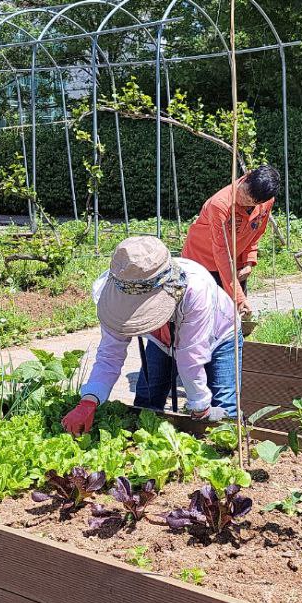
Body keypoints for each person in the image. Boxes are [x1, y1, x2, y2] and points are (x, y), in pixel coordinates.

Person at [61, 236, 240, 437]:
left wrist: (200, 405)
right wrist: (89, 401)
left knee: (223, 406)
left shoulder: (195, 290)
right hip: (161, 340)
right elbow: (109, 355)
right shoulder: (121, 284)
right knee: (147, 399)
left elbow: (191, 356)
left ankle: (226, 458)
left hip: (220, 334)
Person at [180, 163, 279, 318]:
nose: (244, 200)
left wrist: (248, 261)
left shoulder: (266, 201)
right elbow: (221, 251)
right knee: (209, 316)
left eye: (252, 202)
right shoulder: (220, 204)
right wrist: (238, 297)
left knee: (236, 316)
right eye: (245, 193)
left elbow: (256, 231)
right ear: (247, 176)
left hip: (234, 260)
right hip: (203, 261)